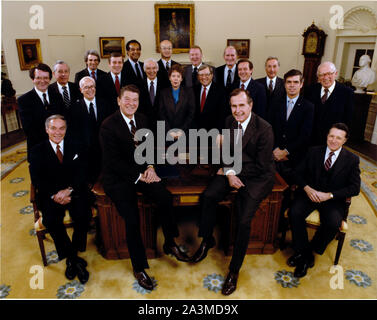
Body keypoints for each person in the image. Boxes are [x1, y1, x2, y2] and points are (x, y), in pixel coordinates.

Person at [99, 84, 190, 291]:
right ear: (119, 101)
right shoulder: (108, 125)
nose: (131, 104)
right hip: (118, 178)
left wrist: (150, 167)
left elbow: (149, 149)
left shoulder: (141, 120)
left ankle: (169, 241)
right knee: (132, 218)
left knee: (165, 198)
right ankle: (139, 267)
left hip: (143, 172)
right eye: (127, 99)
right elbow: (113, 162)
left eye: (135, 100)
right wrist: (140, 175)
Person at [191, 88, 275, 295]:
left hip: (257, 177)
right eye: (234, 106)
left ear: (250, 105)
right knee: (209, 196)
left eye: (241, 106)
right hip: (232, 170)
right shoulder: (229, 121)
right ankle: (207, 238)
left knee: (243, 219)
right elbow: (225, 150)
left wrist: (231, 171)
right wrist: (229, 172)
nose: (237, 110)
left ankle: (234, 270)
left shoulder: (265, 129)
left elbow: (262, 166)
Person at [287, 123, 360, 278]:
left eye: (338, 138)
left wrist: (330, 195)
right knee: (294, 212)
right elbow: (295, 173)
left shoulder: (352, 160)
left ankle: (308, 252)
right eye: (331, 136)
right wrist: (307, 188)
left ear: (344, 141)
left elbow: (355, 188)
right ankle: (305, 254)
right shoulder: (313, 151)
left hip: (332, 200)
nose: (333, 140)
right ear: (327, 136)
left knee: (333, 223)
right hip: (310, 195)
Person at [29, 114, 92, 284]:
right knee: (51, 220)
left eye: (61, 128)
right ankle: (74, 259)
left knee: (83, 214)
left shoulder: (76, 146)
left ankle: (73, 255)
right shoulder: (36, 151)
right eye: (53, 128)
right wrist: (55, 195)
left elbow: (82, 172)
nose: (58, 132)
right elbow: (37, 179)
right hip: (50, 196)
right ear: (47, 129)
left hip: (74, 192)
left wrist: (69, 190)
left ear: (66, 129)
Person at [272, 69, 314, 184]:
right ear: (284, 84)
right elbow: (270, 128)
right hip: (274, 155)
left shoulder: (308, 107)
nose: (292, 85)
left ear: (301, 84)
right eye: (289, 82)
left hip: (295, 157)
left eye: (295, 82)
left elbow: (305, 135)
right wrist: (275, 149)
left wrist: (286, 151)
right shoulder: (275, 103)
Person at [70, 76, 113, 185]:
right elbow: (73, 133)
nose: (90, 89)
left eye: (92, 86)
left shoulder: (105, 104)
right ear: (80, 90)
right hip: (86, 154)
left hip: (105, 151)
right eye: (86, 87)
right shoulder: (74, 108)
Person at [18, 63, 65, 161]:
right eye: (38, 78)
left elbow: (64, 119)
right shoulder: (24, 100)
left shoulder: (57, 96)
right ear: (33, 79)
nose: (42, 81)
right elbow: (29, 129)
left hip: (59, 147)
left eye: (46, 78)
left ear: (50, 79)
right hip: (38, 148)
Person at [305, 61, 354, 146]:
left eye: (329, 74)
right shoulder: (310, 90)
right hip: (310, 140)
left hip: (333, 141)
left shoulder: (347, 93)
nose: (326, 77)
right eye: (322, 75)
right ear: (318, 76)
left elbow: (348, 120)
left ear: (336, 73)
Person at [159, 64, 195, 139]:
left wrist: (181, 131)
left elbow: (191, 113)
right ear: (169, 78)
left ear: (181, 78)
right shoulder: (163, 93)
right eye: (173, 76)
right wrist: (169, 131)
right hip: (167, 134)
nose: (176, 79)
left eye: (178, 76)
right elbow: (161, 114)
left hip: (185, 134)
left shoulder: (189, 92)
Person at [193, 65, 226, 131]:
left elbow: (222, 115)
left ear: (212, 75)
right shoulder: (193, 90)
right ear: (198, 77)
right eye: (201, 75)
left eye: (207, 74)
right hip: (195, 132)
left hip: (213, 132)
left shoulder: (221, 91)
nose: (204, 77)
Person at [256, 57, 286, 123]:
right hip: (260, 121)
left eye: (274, 66)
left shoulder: (285, 84)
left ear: (278, 68)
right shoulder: (256, 83)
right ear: (265, 68)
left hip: (277, 123)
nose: (272, 69)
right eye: (269, 66)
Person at [138, 58, 164, 133]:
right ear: (144, 70)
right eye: (148, 68)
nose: (151, 71)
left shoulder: (165, 84)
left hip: (162, 125)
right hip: (144, 125)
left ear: (158, 69)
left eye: (154, 68)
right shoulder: (138, 85)